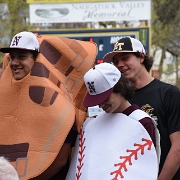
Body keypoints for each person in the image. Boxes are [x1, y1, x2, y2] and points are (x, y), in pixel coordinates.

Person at [0, 31, 97, 179]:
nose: (14, 62)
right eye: (12, 57)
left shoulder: (59, 104)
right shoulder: (4, 98)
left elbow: (59, 162)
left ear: (37, 60)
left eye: (22, 56)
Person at [103, 36, 180, 180]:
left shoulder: (169, 93)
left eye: (125, 58)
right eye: (115, 62)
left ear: (141, 57)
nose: (120, 64)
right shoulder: (121, 100)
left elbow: (178, 148)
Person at [66, 63, 158, 180]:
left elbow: (146, 169)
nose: (101, 104)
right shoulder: (93, 123)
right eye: (96, 100)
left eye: (104, 98)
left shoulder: (142, 121)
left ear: (120, 86)